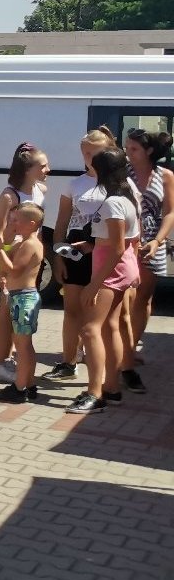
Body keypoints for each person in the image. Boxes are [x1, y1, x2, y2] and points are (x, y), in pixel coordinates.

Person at [66, 148, 141, 415]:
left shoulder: (113, 202)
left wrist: (94, 284)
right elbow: (126, 239)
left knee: (89, 330)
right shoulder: (129, 196)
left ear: (101, 171)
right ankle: (112, 387)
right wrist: (90, 245)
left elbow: (118, 248)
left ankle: (94, 393)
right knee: (110, 327)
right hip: (120, 267)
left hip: (111, 271)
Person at [44, 128, 117, 383]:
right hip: (76, 252)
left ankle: (107, 373)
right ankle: (68, 361)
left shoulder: (118, 184)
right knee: (71, 310)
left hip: (105, 253)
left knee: (101, 318)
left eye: (95, 153)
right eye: (85, 152)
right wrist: (58, 257)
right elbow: (62, 223)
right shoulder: (75, 184)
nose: (89, 157)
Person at [0, 144, 50, 383]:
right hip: (11, 257)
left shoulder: (40, 190)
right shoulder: (9, 195)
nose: (48, 170)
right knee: (4, 311)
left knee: (16, 314)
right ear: (27, 169)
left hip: (30, 257)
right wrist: (1, 269)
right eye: (42, 166)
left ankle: (11, 359)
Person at [124, 128, 173, 389]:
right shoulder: (123, 173)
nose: (127, 153)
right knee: (125, 295)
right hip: (127, 237)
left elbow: (170, 213)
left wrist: (157, 241)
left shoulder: (165, 177)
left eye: (133, 149)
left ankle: (130, 347)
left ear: (149, 152)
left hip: (153, 239)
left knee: (144, 297)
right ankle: (120, 350)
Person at [0, 203, 46, 404]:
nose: (12, 223)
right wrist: (0, 271)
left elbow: (14, 268)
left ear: (31, 224)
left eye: (16, 220)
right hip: (18, 296)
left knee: (23, 347)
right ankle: (28, 384)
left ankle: (20, 388)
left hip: (25, 298)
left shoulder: (30, 244)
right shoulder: (23, 242)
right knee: (23, 344)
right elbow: (7, 258)